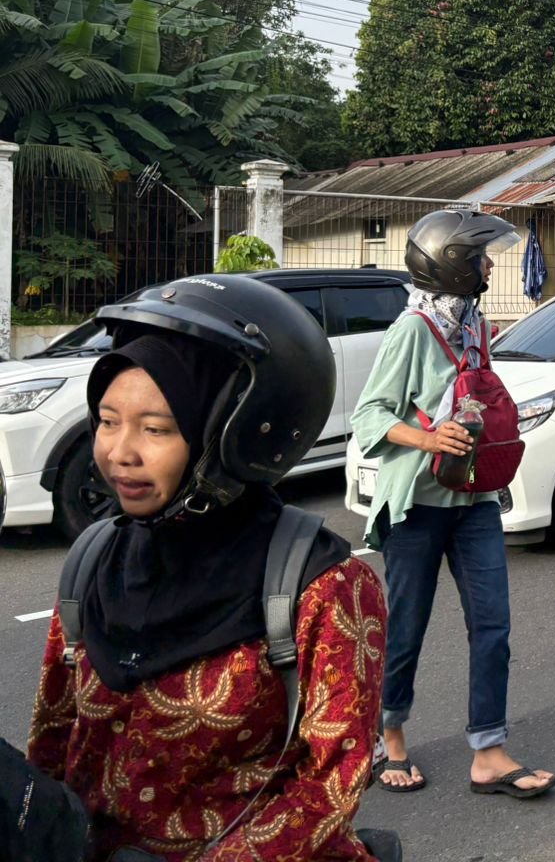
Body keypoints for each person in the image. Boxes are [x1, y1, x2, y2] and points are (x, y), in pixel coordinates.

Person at [28, 275, 387, 861]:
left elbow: (331, 784)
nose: (118, 452)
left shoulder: (321, 586)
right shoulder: (92, 560)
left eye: (156, 429)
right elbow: (53, 742)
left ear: (236, 435)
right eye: (108, 420)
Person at [352, 209, 555, 799]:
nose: (489, 265)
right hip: (417, 504)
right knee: (406, 627)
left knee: (492, 626)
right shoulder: (413, 330)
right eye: (479, 257)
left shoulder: (477, 326)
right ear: (451, 264)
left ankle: (488, 751)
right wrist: (428, 438)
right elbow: (369, 415)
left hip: (474, 499)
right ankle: (389, 733)